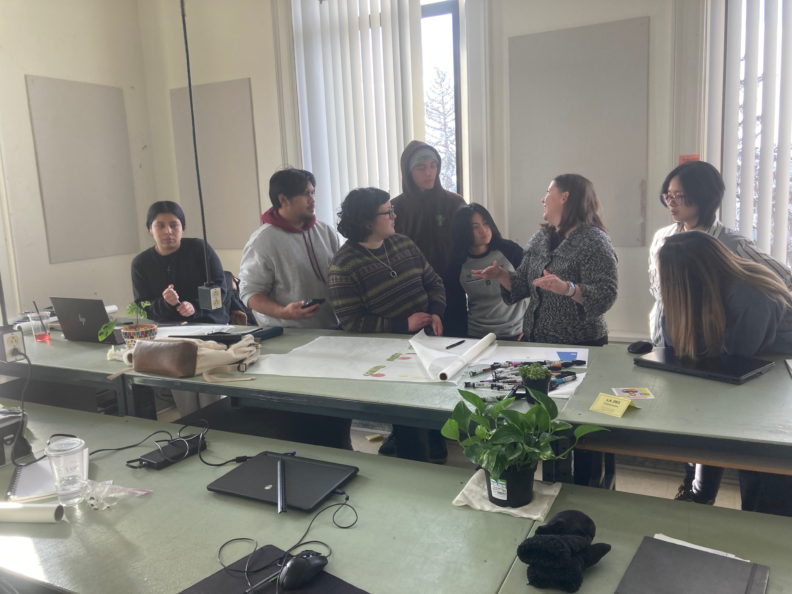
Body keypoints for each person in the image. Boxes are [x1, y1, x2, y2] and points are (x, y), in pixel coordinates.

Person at [658, 231, 792, 516]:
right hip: (758, 380)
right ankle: (701, 497)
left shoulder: (749, 294)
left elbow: (734, 359)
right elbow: (676, 345)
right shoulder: (705, 292)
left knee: (765, 482)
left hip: (779, 387)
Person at [329, 187, 447, 462]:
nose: (395, 215)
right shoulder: (344, 265)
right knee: (409, 423)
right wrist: (402, 324)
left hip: (426, 344)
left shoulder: (403, 243)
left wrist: (437, 311)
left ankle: (435, 452)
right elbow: (352, 321)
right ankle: (414, 477)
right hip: (387, 356)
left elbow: (434, 282)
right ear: (368, 221)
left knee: (428, 413)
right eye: (388, 211)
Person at [649, 160, 792, 347]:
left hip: (710, 346)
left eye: (678, 195)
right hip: (667, 338)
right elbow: (657, 288)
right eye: (668, 195)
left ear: (702, 196)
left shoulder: (734, 245)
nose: (671, 202)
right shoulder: (663, 238)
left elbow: (785, 279)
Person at [472, 174, 618, 346]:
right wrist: (501, 275)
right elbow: (524, 285)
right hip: (537, 342)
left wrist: (568, 289)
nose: (543, 199)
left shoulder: (594, 241)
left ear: (564, 197)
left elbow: (605, 294)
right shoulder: (540, 238)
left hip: (580, 344)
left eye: (548, 192)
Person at [131, 201, 228, 415]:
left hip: (209, 329)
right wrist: (165, 303)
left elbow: (220, 290)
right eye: (160, 225)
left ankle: (219, 424)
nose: (168, 231)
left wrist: (195, 308)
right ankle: (191, 427)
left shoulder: (199, 249)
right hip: (171, 335)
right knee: (186, 401)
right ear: (150, 229)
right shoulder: (141, 263)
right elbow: (143, 306)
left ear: (182, 227)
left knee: (210, 394)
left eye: (174, 225)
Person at [239, 168, 340, 329]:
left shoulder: (326, 231)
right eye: (305, 194)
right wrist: (284, 312)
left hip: (333, 329)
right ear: (283, 199)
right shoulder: (262, 241)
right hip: (288, 334)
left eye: (313, 193)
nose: (312, 200)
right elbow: (249, 293)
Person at [444, 203, 526, 339]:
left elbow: (533, 285)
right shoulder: (456, 266)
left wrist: (530, 325)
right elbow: (456, 310)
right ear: (463, 231)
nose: (484, 230)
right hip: (478, 336)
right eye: (475, 227)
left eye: (485, 223)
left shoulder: (510, 250)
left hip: (515, 333)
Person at [392, 141, 465, 277]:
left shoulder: (455, 203)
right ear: (408, 172)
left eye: (433, 166)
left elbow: (469, 245)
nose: (428, 173)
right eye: (421, 167)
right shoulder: (394, 208)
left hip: (451, 285)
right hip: (409, 286)